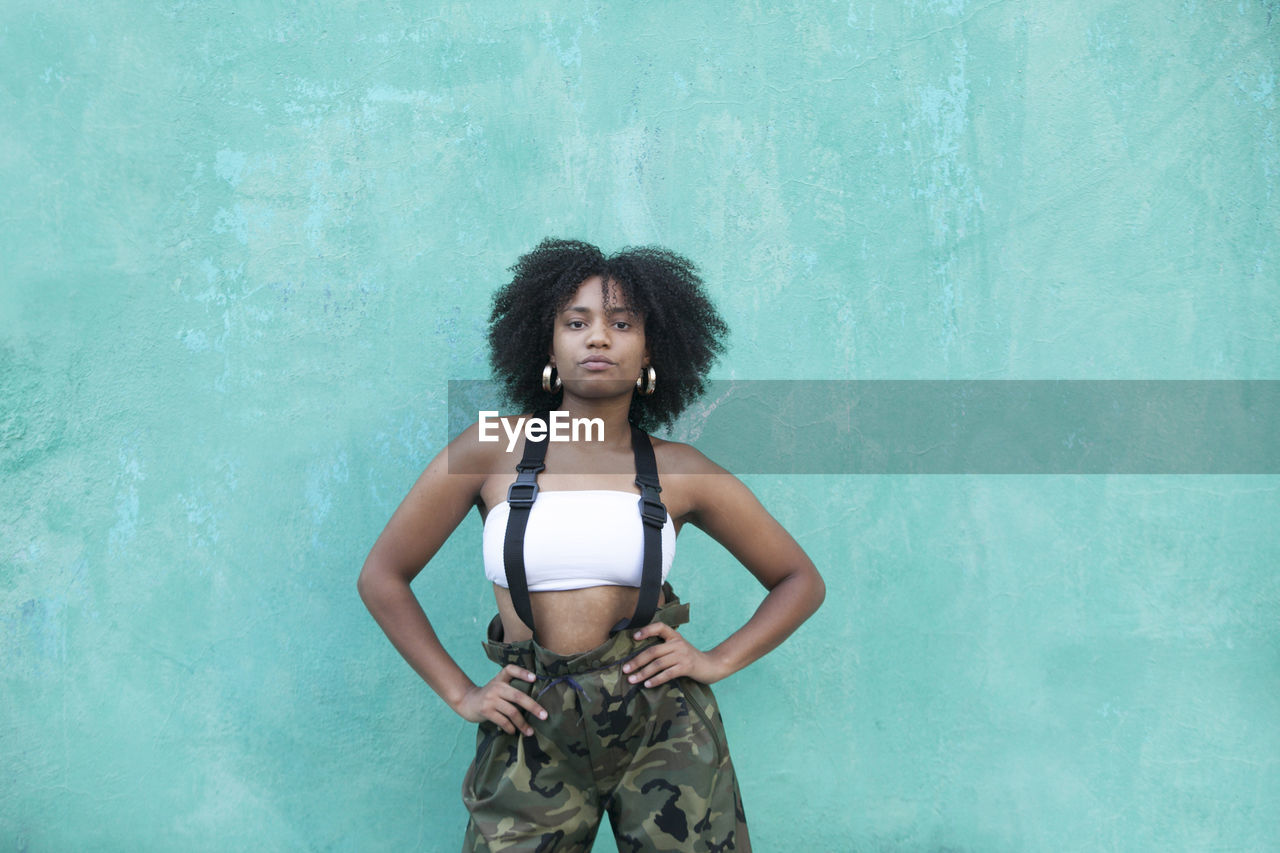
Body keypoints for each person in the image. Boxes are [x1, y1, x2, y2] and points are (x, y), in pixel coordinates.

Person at [358, 238, 825, 852]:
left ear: (651, 348)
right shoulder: (491, 447)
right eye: (575, 322)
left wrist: (715, 661)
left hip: (664, 724)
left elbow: (799, 580)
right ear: (546, 344)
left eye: (621, 323)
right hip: (532, 719)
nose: (597, 338)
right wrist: (461, 693)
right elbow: (383, 575)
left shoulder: (679, 468)